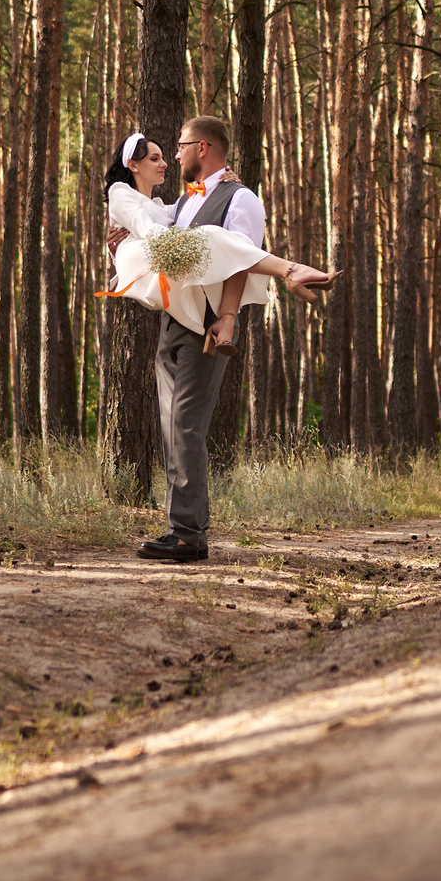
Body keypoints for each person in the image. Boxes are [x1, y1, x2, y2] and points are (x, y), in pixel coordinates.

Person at [100, 119, 334, 563]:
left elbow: (237, 260)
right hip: (174, 318)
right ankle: (183, 528)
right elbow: (158, 232)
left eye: (181, 146)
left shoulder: (241, 198)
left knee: (186, 424)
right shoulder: (186, 201)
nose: (174, 155)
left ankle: (187, 534)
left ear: (201, 147)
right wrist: (125, 244)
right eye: (161, 153)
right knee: (173, 427)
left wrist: (227, 318)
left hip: (206, 324)